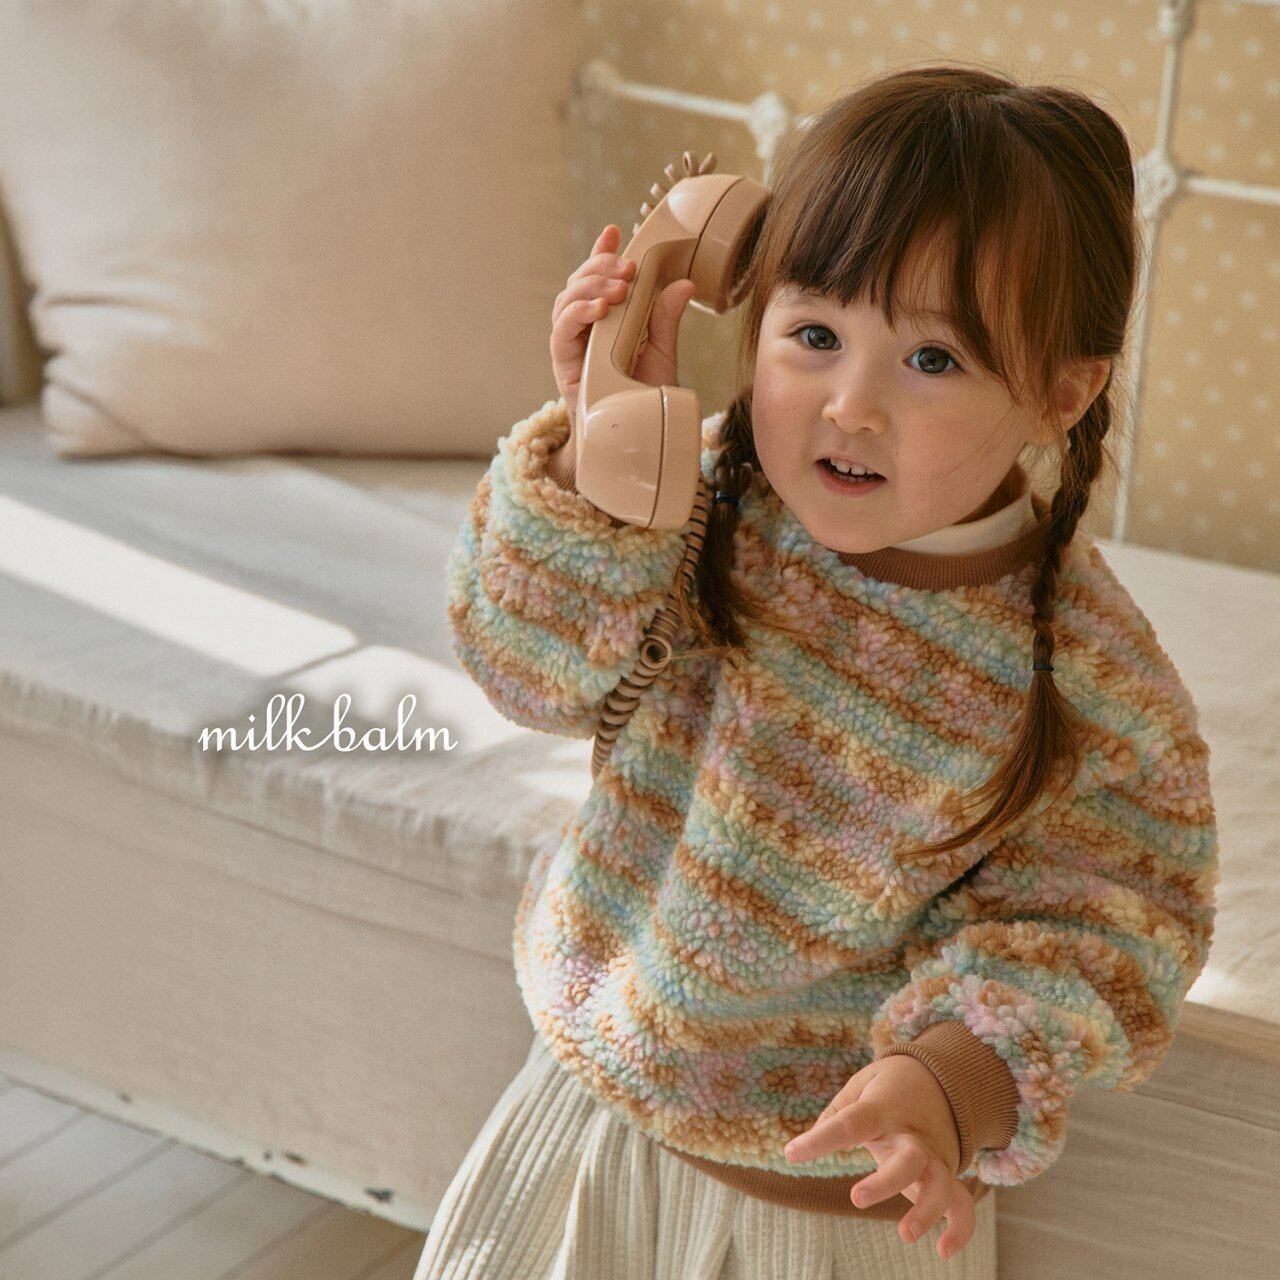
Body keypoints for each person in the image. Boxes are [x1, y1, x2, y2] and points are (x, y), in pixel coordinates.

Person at [413, 64, 1219, 1280]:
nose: (850, 405)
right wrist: (595, 453)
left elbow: (1106, 923)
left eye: (931, 359)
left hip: (836, 1204)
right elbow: (527, 675)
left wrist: (948, 1082)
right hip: (585, 1112)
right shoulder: (693, 497)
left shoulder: (1087, 683)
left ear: (1058, 390)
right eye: (812, 335)